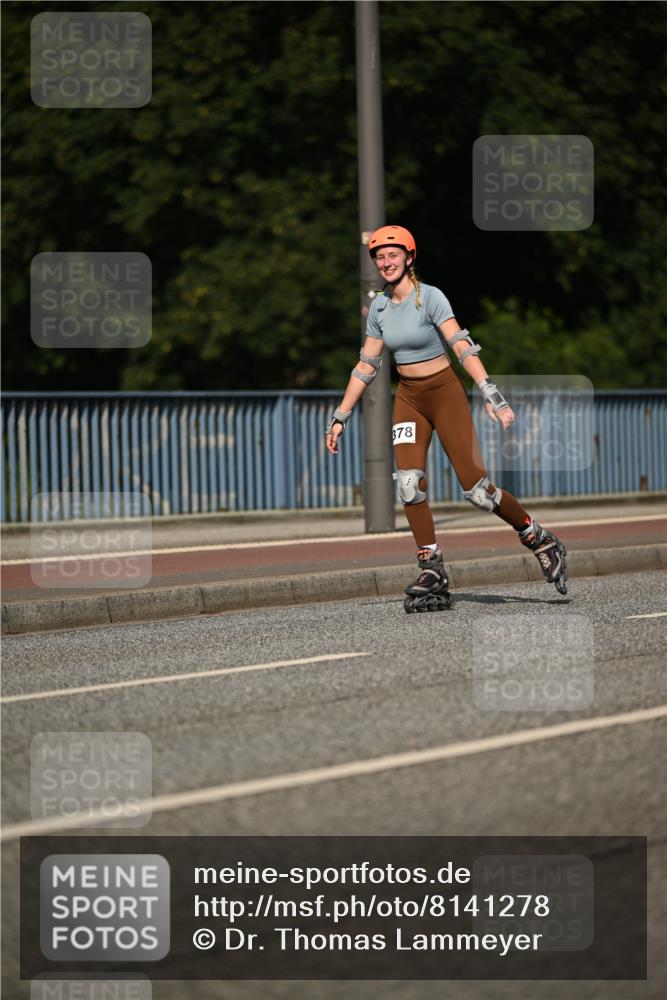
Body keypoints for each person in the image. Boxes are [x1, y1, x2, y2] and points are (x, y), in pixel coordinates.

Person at [325, 225, 568, 612]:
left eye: (393, 255)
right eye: (379, 257)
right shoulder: (380, 309)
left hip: (445, 394)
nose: (386, 262)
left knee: (476, 490)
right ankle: (431, 567)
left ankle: (537, 537)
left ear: (409, 257)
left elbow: (460, 346)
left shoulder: (431, 298)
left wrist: (491, 394)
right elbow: (366, 365)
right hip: (408, 399)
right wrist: (340, 415)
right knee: (409, 483)